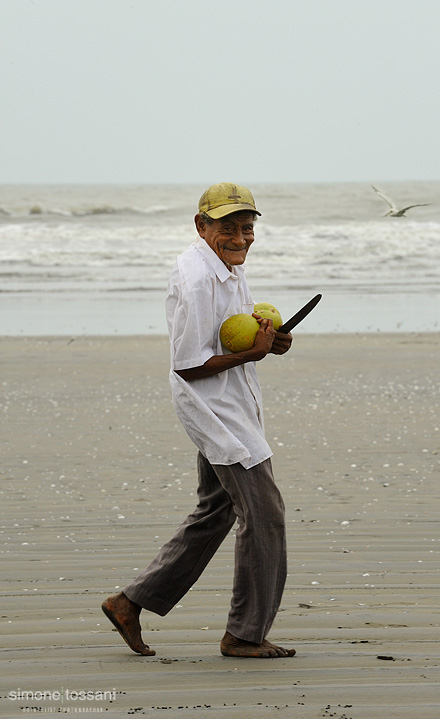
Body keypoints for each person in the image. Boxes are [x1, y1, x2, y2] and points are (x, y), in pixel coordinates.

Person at [101, 182, 296, 659]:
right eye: (227, 228)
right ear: (200, 226)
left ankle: (129, 603)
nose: (240, 237)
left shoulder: (228, 268)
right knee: (264, 515)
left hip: (234, 403)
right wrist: (252, 353)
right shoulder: (196, 277)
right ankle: (244, 634)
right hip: (214, 412)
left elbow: (233, 340)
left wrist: (269, 345)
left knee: (216, 511)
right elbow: (187, 364)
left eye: (246, 228)